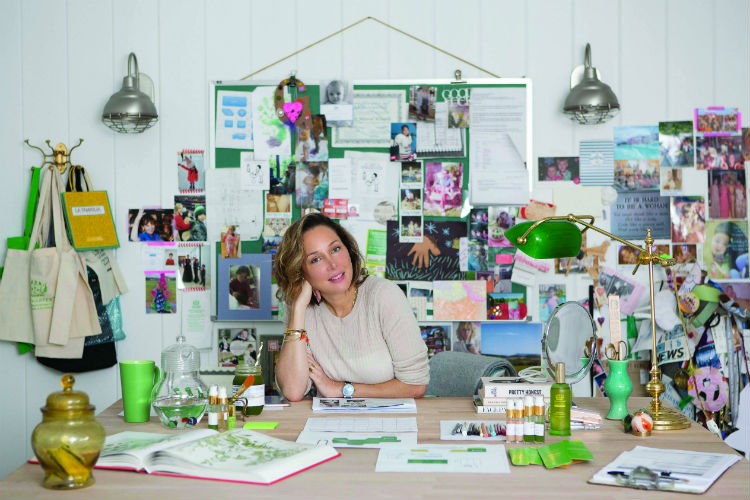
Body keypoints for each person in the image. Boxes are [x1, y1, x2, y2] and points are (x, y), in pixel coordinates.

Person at [274, 213, 429, 401]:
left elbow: (416, 385)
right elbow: (293, 390)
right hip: (333, 424)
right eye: (316, 259)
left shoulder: (384, 296)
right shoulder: (301, 308)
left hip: (391, 421)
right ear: (300, 272)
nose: (333, 264)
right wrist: (298, 309)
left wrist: (341, 389)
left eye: (336, 249)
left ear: (348, 249)